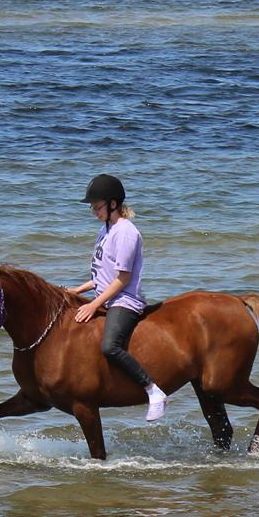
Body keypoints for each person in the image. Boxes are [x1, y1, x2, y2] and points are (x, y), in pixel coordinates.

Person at [66, 174, 169, 422]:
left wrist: (93, 304)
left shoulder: (125, 233)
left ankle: (153, 391)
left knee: (109, 346)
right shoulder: (106, 230)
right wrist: (78, 291)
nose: (94, 212)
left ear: (113, 204)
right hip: (106, 297)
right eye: (92, 207)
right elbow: (102, 275)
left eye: (97, 206)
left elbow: (122, 279)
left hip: (124, 301)